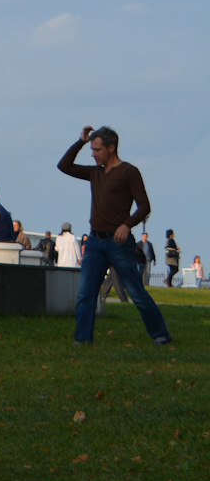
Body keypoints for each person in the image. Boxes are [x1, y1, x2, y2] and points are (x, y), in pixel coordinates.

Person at [58, 126, 170, 346]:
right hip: (94, 242)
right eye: (91, 149)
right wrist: (80, 142)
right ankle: (82, 339)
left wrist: (127, 225)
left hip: (118, 243)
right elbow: (64, 166)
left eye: (97, 149)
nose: (93, 153)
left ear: (111, 148)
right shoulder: (95, 172)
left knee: (136, 292)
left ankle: (161, 335)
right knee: (86, 293)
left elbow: (144, 206)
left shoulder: (129, 172)